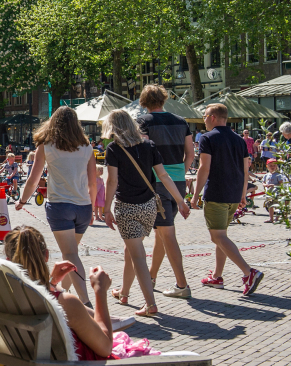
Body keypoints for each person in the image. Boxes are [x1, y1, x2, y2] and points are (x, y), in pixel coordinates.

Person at [3, 226, 215, 366]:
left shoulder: (10, 300)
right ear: (47, 255)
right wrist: (100, 291)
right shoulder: (65, 303)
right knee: (195, 365)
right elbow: (104, 346)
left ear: (7, 258)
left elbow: (38, 293)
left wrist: (51, 283)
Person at [102, 109, 190, 316]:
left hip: (127, 207)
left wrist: (106, 209)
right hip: (150, 206)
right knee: (131, 250)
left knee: (138, 255)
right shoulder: (149, 146)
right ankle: (124, 293)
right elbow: (164, 176)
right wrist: (180, 200)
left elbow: (112, 181)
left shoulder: (114, 149)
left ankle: (150, 304)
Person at [16, 106, 96, 305]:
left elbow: (33, 180)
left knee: (70, 254)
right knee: (71, 252)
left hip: (60, 206)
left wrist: (22, 200)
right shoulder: (87, 147)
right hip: (83, 206)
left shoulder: (46, 146)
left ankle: (85, 302)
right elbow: (93, 182)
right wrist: (93, 208)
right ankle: (59, 291)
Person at [194, 103, 264, 296]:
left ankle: (249, 272)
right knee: (221, 235)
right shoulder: (240, 140)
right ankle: (217, 276)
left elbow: (204, 168)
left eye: (205, 116)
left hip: (217, 192)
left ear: (213, 117)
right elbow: (245, 170)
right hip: (234, 194)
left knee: (217, 236)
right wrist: (242, 195)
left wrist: (195, 195)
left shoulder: (207, 138)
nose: (204, 120)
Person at [136, 84, 194, 299]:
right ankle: (151, 277)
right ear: (164, 99)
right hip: (177, 181)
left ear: (144, 101)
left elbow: (141, 153)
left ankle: (182, 285)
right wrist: (179, 173)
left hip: (156, 181)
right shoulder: (181, 121)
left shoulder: (142, 122)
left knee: (167, 234)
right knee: (162, 233)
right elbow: (190, 154)